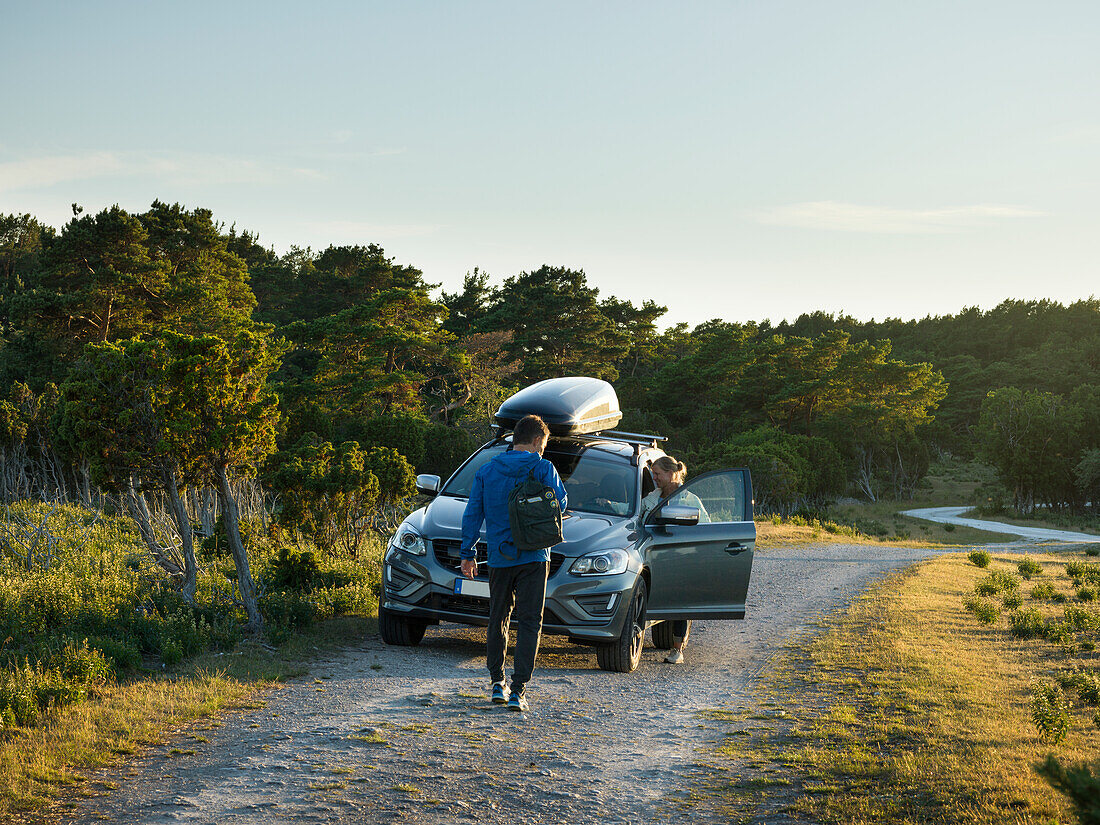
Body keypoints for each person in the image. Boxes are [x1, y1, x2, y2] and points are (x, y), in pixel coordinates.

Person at [460, 414, 567, 711]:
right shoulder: (543, 467)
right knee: (530, 621)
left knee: (498, 617)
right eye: (543, 444)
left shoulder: (487, 470)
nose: (543, 450)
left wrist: (468, 554)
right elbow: (561, 501)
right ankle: (519, 690)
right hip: (534, 555)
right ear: (535, 441)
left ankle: (497, 683)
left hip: (498, 557)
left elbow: (472, 514)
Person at [639, 455, 708, 664]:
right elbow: (638, 514)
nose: (655, 478)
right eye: (653, 474)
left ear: (670, 474)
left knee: (681, 601)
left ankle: (677, 649)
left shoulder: (690, 500)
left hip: (680, 559)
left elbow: (706, 529)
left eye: (657, 474)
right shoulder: (652, 497)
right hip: (654, 555)